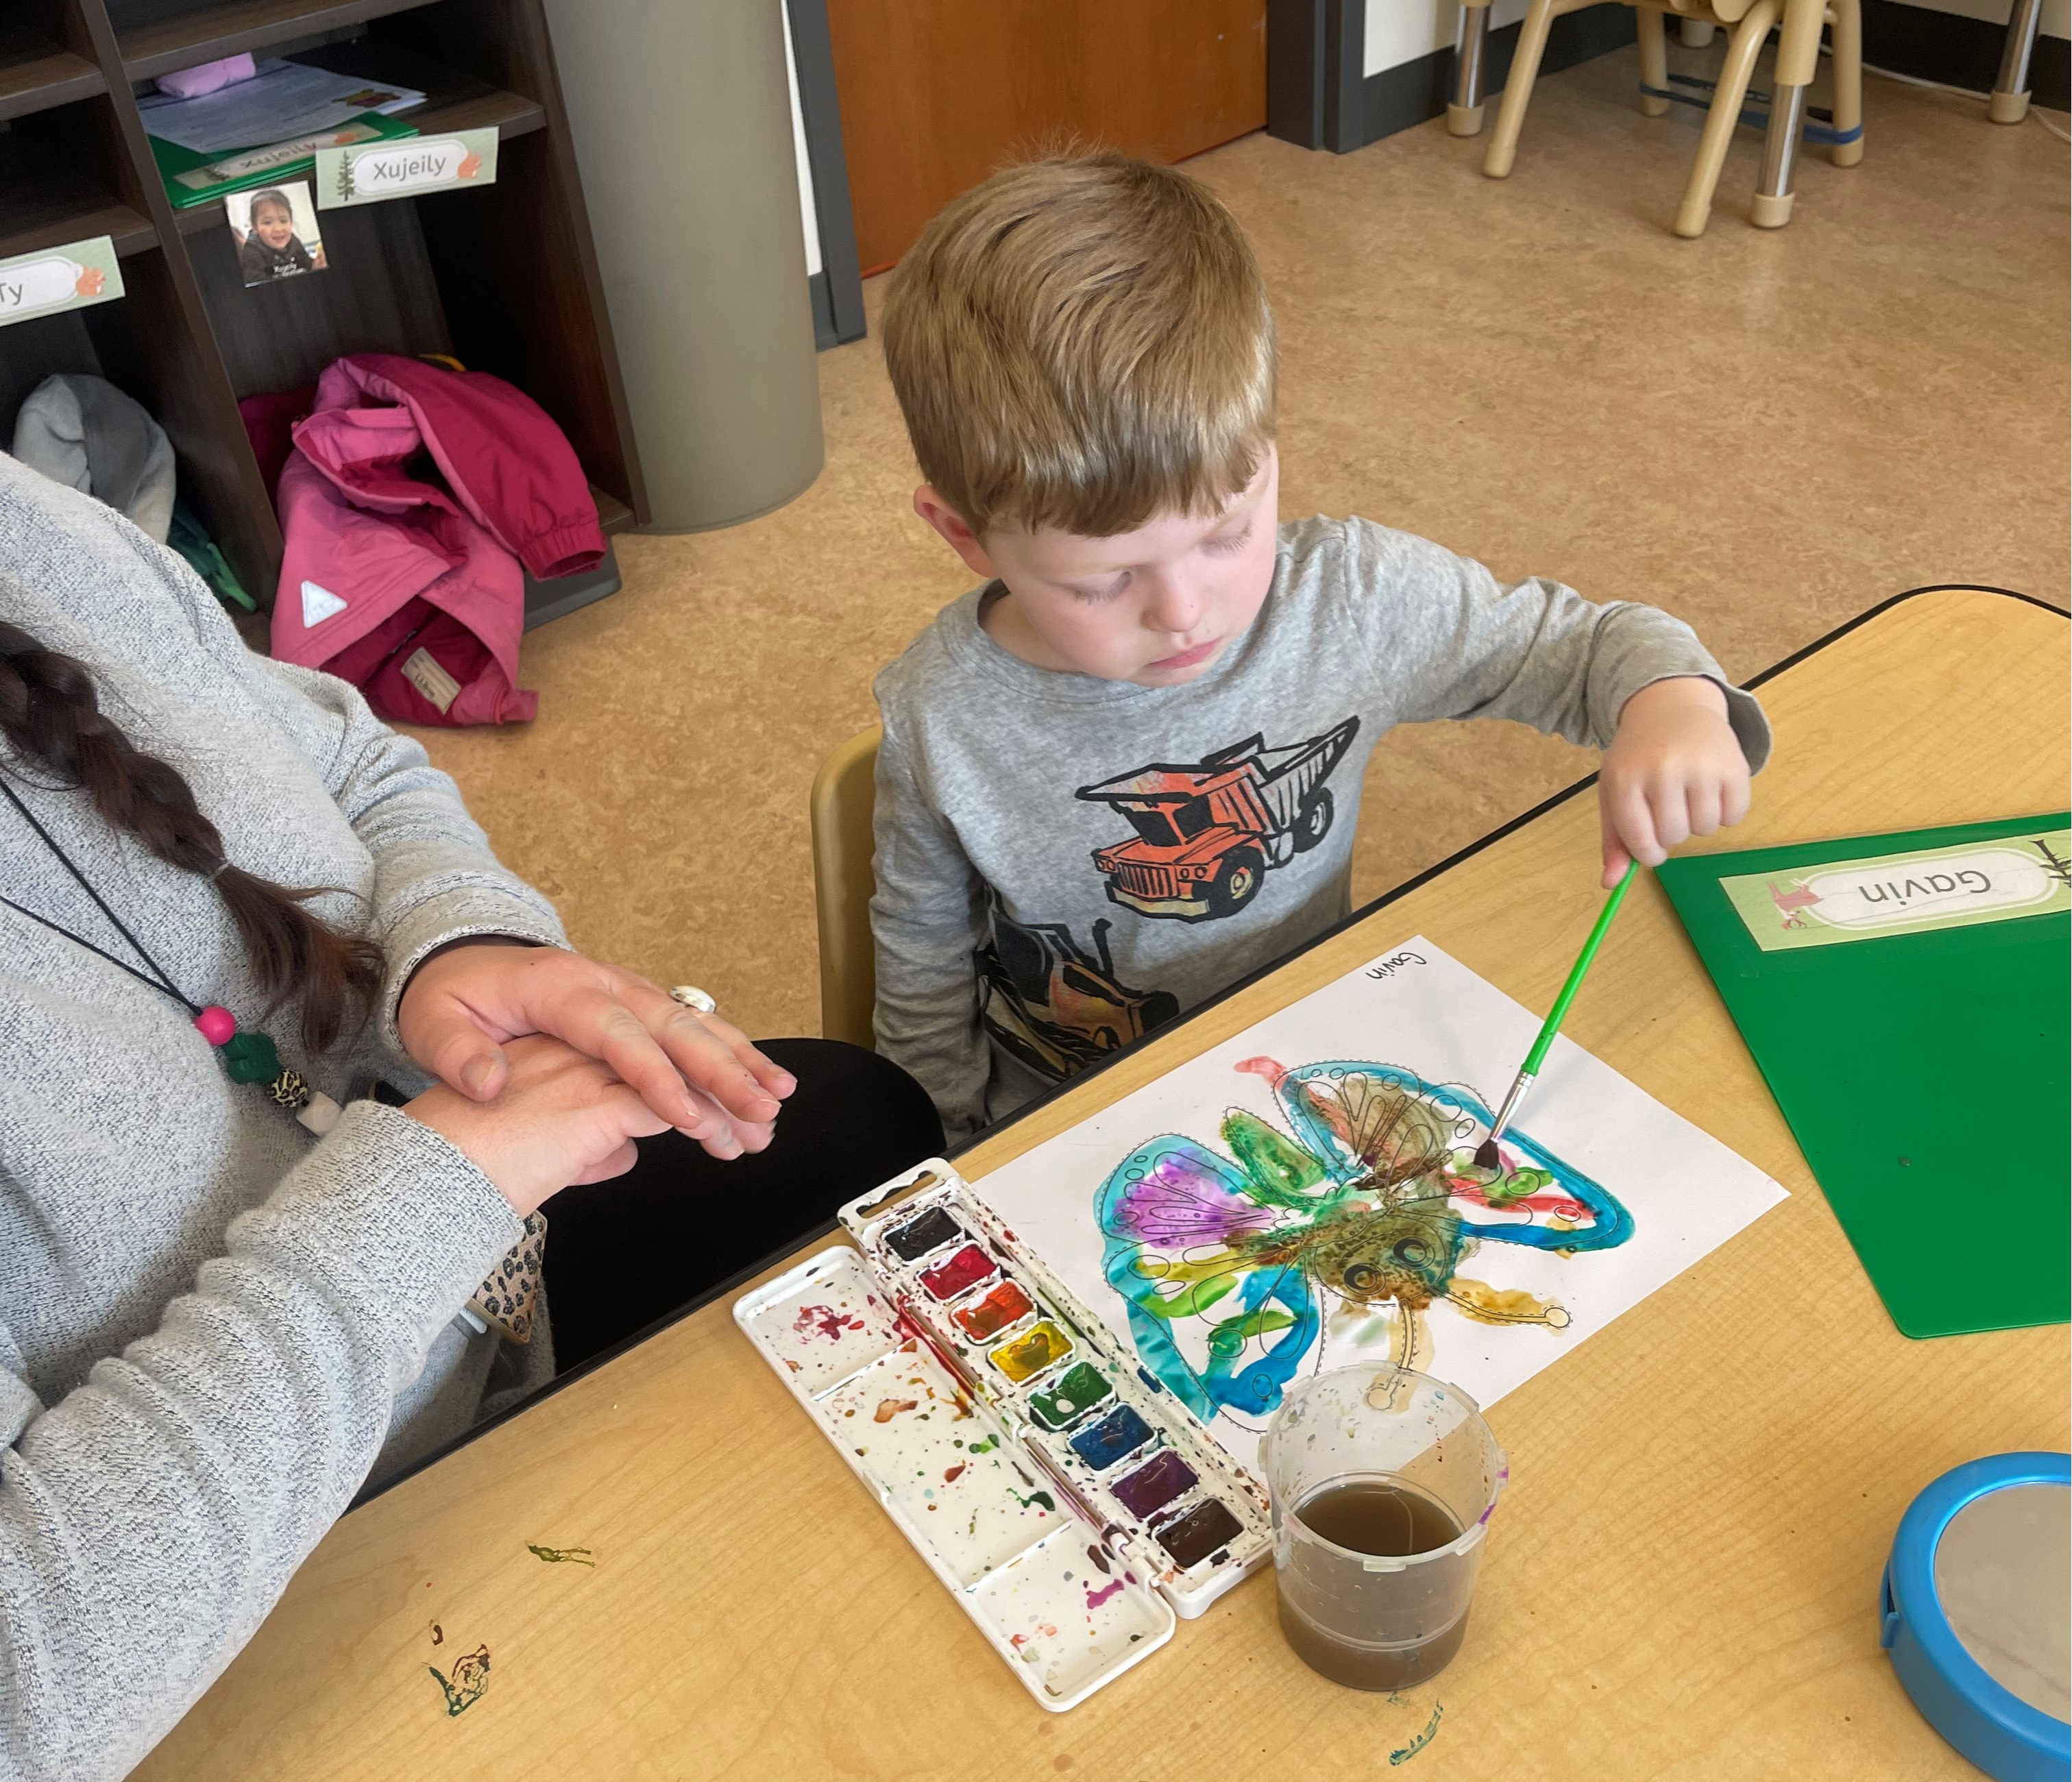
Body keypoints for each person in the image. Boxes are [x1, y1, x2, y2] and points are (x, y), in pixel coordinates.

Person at [0, 453, 941, 1780]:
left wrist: (452, 945)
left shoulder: (35, 527)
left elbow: (361, 764)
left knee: (849, 1125)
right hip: (247, 1588)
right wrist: (436, 1184)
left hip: (468, 1285)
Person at [868, 154, 1772, 1141]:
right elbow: (920, 960)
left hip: (1305, 1068)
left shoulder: (1350, 597)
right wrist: (940, 1144)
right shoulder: (939, 712)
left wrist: (1669, 701)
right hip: (1063, 1116)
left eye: (1224, 535)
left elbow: (1586, 643)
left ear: (1268, 459)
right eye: (1099, 581)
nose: (1184, 612)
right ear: (963, 536)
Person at [236, 187, 321, 282]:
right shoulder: (251, 251)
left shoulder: (292, 240)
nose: (278, 229)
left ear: (291, 222)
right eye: (267, 222)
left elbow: (304, 261)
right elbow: (254, 281)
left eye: (283, 221)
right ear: (255, 227)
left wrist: (316, 265)